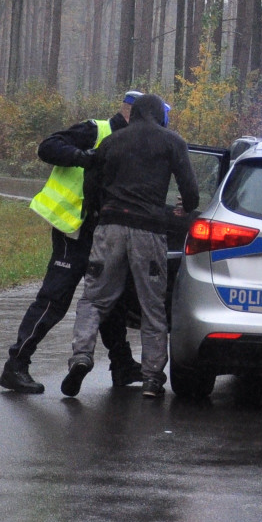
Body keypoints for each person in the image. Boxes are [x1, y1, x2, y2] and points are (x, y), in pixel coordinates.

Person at [0, 93, 148, 394]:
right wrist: (85, 159)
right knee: (54, 299)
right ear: (130, 112)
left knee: (110, 300)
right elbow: (47, 147)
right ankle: (15, 365)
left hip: (106, 234)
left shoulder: (135, 144)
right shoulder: (96, 130)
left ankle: (122, 365)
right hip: (75, 230)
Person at [63, 91, 200, 398]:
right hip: (148, 232)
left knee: (94, 299)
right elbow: (190, 191)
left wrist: (104, 209)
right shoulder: (172, 142)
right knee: (153, 308)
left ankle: (81, 356)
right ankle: (152, 379)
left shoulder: (111, 142)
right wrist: (184, 208)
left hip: (109, 228)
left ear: (134, 114)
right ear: (160, 116)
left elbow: (91, 185)